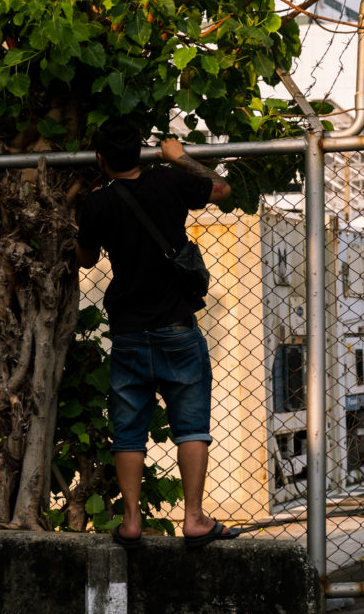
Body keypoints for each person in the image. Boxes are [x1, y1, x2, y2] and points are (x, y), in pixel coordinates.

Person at [75, 119, 240, 549]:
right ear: (143, 154)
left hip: (129, 333)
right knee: (192, 428)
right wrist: (180, 157)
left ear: (100, 159)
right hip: (178, 329)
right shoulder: (169, 181)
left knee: (128, 432)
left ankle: (131, 521)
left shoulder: (98, 203)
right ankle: (194, 518)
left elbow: (86, 259)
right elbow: (222, 189)